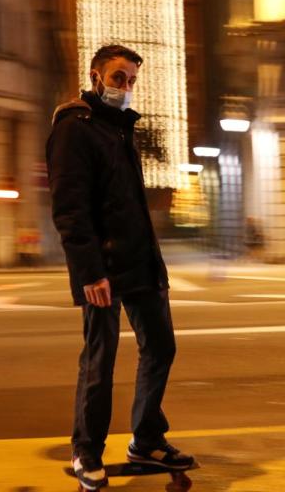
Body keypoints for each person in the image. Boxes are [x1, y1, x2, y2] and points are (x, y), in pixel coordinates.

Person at [46, 44, 194, 491]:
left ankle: (145, 439)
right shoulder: (75, 128)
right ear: (95, 77)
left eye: (131, 80)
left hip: (140, 260)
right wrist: (89, 271)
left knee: (162, 347)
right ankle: (86, 451)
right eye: (117, 78)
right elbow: (70, 208)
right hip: (103, 269)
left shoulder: (120, 128)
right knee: (99, 361)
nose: (125, 87)